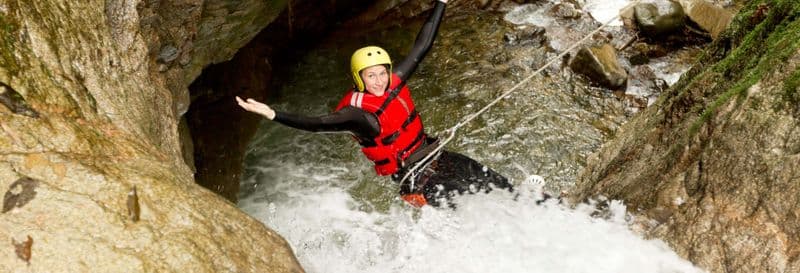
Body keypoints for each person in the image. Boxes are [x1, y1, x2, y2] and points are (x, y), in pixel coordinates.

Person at [236, 0, 512, 207]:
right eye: (371, 76)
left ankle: (535, 202)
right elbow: (318, 124)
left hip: (433, 155)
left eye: (382, 73)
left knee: (491, 180)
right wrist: (273, 113)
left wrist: (440, 2)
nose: (379, 81)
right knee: (472, 202)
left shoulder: (394, 82)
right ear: (359, 78)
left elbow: (422, 45)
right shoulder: (358, 116)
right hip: (415, 179)